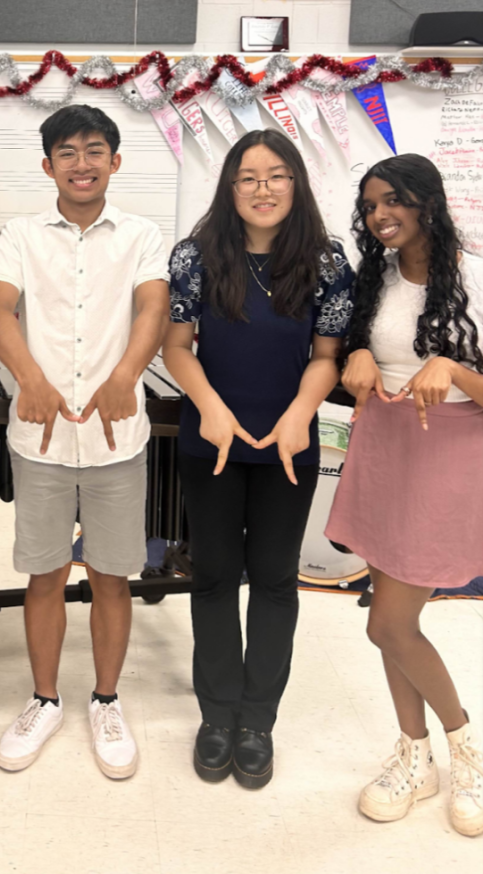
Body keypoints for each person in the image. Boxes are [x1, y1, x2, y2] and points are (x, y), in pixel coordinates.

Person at [0, 104, 169, 780]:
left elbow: (152, 307)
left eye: (95, 150)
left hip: (119, 436)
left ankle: (106, 701)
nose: (82, 163)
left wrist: (125, 377)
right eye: (67, 152)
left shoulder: (143, 235)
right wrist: (25, 379)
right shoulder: (21, 236)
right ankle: (43, 699)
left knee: (113, 575)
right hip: (42, 437)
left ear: (115, 162)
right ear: (46, 165)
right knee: (43, 574)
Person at [162, 129, 353, 789]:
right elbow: (177, 347)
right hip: (209, 440)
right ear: (229, 187)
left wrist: (299, 414)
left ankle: (256, 722)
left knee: (272, 579)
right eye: (248, 177)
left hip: (287, 447)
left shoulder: (324, 261)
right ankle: (216, 717)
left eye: (276, 176)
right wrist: (211, 409)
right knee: (213, 575)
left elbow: (326, 358)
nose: (262, 189)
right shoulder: (195, 255)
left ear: (295, 184)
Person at [325, 155, 483, 836]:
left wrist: (450, 366)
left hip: (446, 452)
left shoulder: (474, 275)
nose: (379, 214)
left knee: (385, 622)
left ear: (428, 201)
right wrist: (351, 358)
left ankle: (464, 749)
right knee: (395, 620)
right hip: (383, 447)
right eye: (368, 205)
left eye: (394, 200)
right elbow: (358, 358)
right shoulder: (377, 279)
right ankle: (414, 757)